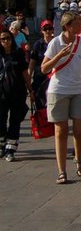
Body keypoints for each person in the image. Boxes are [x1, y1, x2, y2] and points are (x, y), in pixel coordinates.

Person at [41, 11, 81, 184]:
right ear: (68, 26)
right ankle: (61, 170)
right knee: (61, 131)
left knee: (80, 131)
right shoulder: (55, 42)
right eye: (78, 23)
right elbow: (44, 68)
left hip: (79, 89)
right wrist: (59, 56)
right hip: (59, 89)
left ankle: (78, 158)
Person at [0, 26, 31, 160]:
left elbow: (25, 73)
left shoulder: (18, 53)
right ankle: (1, 145)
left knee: (15, 121)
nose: (6, 41)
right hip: (1, 93)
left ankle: (10, 149)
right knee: (0, 120)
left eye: (8, 38)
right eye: (3, 39)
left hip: (18, 92)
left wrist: (31, 90)